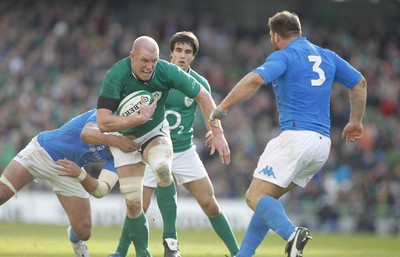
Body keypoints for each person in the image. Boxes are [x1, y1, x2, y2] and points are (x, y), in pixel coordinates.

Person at [209, 11, 367, 257]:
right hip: (322, 144)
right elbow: (360, 84)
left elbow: (253, 80)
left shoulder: (285, 55)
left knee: (254, 196)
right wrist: (355, 121)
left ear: (275, 35)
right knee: (266, 200)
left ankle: (292, 234)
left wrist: (221, 109)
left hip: (296, 137)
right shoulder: (328, 56)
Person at [108, 31, 239, 257]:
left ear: (193, 57)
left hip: (183, 150)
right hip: (152, 149)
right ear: (171, 53)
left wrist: (215, 132)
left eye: (188, 52)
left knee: (210, 204)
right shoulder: (156, 76)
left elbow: (208, 109)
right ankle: (120, 252)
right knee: (139, 206)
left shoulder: (199, 83)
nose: (182, 55)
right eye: (178, 50)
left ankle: (239, 253)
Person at [0, 108, 140, 257]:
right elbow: (87, 134)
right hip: (42, 151)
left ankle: (75, 240)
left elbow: (101, 190)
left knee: (84, 231)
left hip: (69, 169)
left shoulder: (124, 154)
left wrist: (80, 174)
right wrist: (117, 141)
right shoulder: (107, 114)